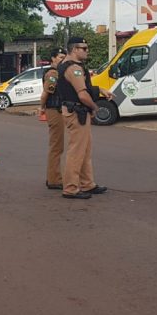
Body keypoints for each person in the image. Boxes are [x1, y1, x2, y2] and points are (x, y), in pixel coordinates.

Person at [55, 37, 110, 199]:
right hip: (77, 112)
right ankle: (71, 188)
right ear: (74, 49)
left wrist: (99, 89)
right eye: (84, 48)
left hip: (76, 111)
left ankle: (87, 184)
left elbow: (84, 89)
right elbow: (83, 94)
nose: (87, 51)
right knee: (76, 152)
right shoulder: (73, 69)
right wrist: (95, 107)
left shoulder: (69, 67)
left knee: (84, 150)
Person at [40, 48, 68, 190]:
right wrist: (42, 107)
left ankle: (55, 177)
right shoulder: (52, 73)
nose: (62, 59)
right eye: (60, 57)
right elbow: (46, 93)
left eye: (64, 57)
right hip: (54, 110)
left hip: (57, 110)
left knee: (58, 146)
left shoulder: (59, 72)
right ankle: (54, 179)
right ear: (53, 58)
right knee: (56, 146)